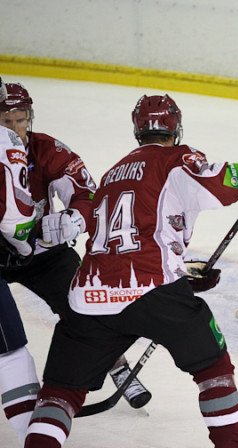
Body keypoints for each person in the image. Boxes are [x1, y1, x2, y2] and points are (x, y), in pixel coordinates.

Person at [24, 94, 238, 448]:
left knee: (61, 392)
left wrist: (182, 273)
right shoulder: (175, 159)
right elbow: (219, 185)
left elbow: (132, 237)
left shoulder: (112, 173)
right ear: (176, 129)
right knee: (213, 369)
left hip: (89, 297)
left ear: (138, 132)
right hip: (152, 289)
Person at [0, 82, 153, 422]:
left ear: (30, 118)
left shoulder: (48, 150)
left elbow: (85, 191)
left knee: (87, 309)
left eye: (19, 119)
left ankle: (119, 369)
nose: (13, 128)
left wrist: (74, 218)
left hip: (41, 251)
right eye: (5, 121)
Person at [0, 75, 40, 447]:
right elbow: (15, 219)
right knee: (10, 352)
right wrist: (24, 247)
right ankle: (35, 438)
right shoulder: (6, 142)